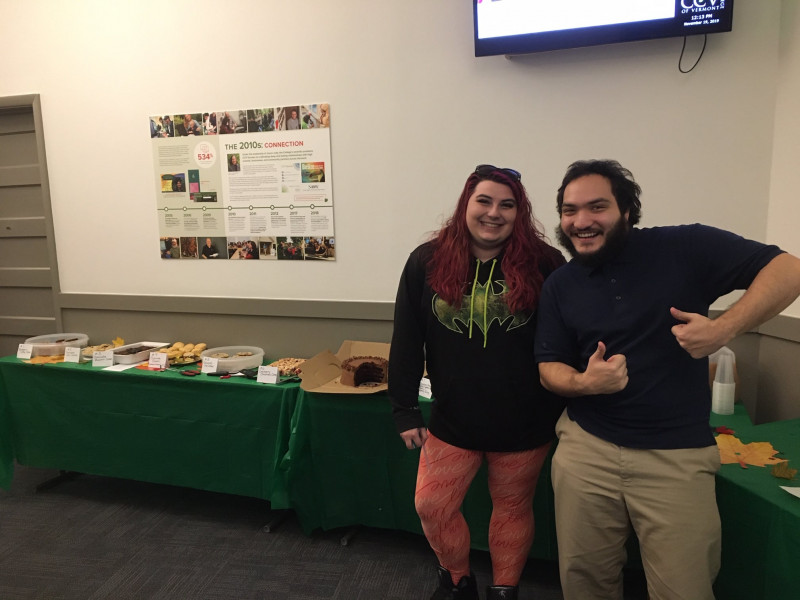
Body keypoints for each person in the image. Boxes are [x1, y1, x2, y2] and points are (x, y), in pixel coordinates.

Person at [534, 159, 800, 600]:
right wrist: (585, 384)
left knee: (684, 590)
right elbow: (548, 368)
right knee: (584, 584)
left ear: (626, 210)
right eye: (569, 210)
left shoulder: (685, 246)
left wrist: (721, 329)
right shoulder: (560, 285)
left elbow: (789, 270)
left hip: (675, 457)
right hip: (586, 451)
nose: (581, 221)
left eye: (596, 207)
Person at [390, 165, 566, 600]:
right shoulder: (426, 262)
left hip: (526, 419)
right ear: (466, 205)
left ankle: (504, 590)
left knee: (511, 508)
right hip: (454, 417)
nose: (494, 213)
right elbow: (407, 338)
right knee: (432, 505)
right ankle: (457, 582)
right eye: (484, 201)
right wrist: (404, 407)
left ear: (519, 213)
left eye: (507, 205)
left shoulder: (545, 263)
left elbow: (567, 336)